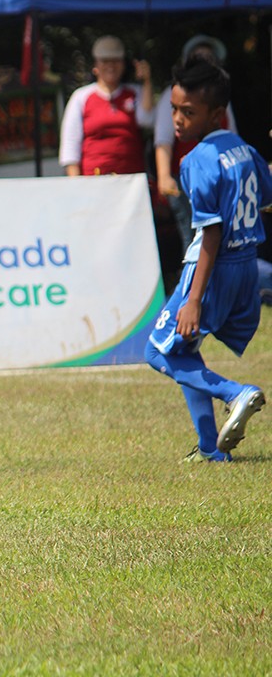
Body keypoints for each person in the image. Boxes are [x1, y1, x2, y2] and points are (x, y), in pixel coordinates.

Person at [144, 58, 272, 463]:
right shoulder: (243, 149)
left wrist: (194, 299)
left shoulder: (197, 160)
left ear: (216, 114)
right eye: (173, 109)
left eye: (188, 112)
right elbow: (266, 197)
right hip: (245, 265)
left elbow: (211, 233)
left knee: (158, 352)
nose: (177, 120)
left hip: (212, 268)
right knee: (184, 348)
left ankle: (236, 393)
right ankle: (209, 449)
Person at [153, 35, 237, 248]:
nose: (178, 118)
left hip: (219, 179)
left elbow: (233, 138)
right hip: (183, 181)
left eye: (188, 112)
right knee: (193, 237)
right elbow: (163, 140)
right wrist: (164, 176)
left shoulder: (220, 98)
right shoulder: (175, 93)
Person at [59, 35, 154, 177]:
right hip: (93, 178)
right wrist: (76, 183)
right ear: (95, 66)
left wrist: (147, 82)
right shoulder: (81, 97)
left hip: (131, 179)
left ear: (123, 64)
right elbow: (70, 145)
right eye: (105, 61)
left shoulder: (135, 92)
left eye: (116, 61)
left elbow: (147, 120)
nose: (111, 66)